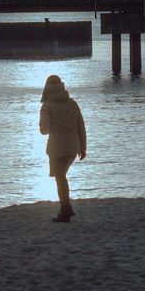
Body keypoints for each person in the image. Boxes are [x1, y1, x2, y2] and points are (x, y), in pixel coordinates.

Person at [39, 74, 86, 223]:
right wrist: (83, 148)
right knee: (61, 177)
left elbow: (44, 130)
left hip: (56, 149)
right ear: (62, 86)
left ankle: (65, 212)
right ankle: (67, 208)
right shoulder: (72, 103)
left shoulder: (47, 105)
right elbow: (81, 127)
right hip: (73, 148)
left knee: (60, 178)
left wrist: (44, 123)